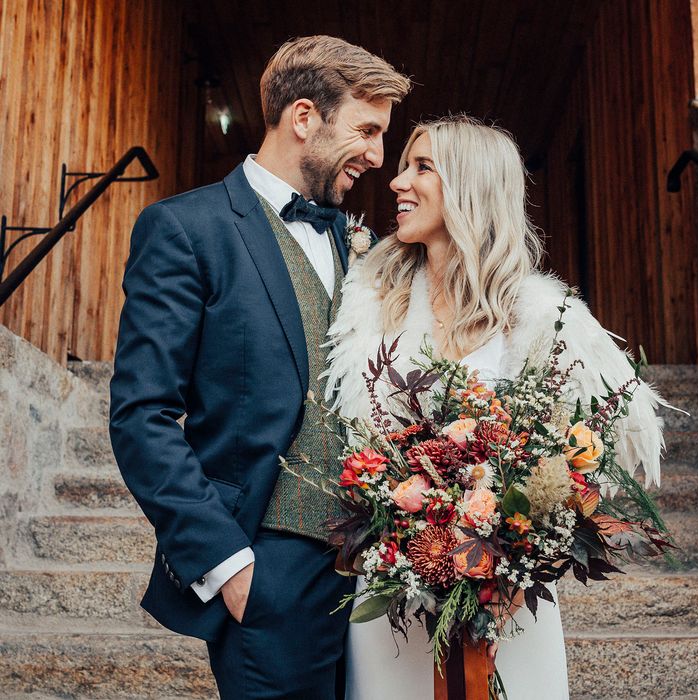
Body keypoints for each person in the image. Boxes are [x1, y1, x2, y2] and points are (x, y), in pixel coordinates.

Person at [324, 115, 667, 699]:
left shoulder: (537, 315)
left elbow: (610, 443)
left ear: (469, 186)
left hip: (511, 601)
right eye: (405, 166)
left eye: (421, 167)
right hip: (393, 594)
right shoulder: (369, 303)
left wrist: (535, 532)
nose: (397, 182)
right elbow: (358, 441)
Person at [109, 35, 410, 700]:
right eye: (366, 130)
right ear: (304, 118)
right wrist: (227, 564)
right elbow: (141, 414)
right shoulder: (185, 229)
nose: (378, 157)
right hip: (268, 569)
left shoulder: (352, 240)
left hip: (377, 573)